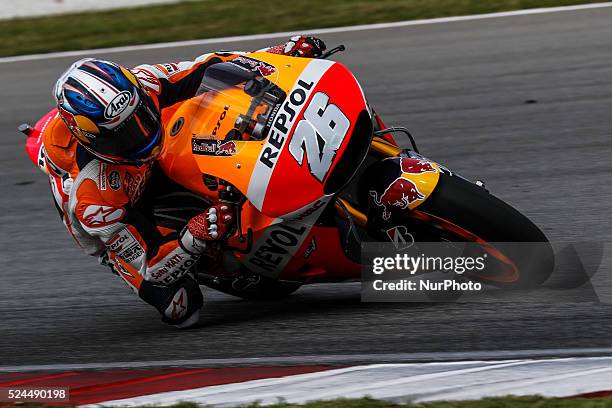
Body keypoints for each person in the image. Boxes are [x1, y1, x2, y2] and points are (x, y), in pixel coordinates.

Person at [41, 36, 326, 328]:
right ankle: (209, 261)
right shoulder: (93, 197)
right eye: (123, 135)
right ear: (92, 141)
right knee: (182, 309)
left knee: (210, 106)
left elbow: (209, 66)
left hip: (151, 166)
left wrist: (276, 55)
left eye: (142, 116)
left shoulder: (145, 82)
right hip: (122, 222)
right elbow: (152, 266)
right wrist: (194, 236)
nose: (141, 134)